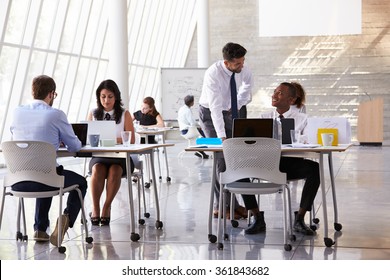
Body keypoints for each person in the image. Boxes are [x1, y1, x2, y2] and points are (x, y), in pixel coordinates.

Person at [9, 75, 88, 246]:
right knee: (79, 182)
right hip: (47, 181)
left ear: (33, 92)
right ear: (51, 94)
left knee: (43, 170)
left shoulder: (17, 112)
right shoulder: (56, 115)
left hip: (18, 182)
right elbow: (74, 147)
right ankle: (66, 218)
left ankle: (40, 229)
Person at [241, 82, 320, 235]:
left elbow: (308, 140)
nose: (274, 95)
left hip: (290, 164)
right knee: (236, 168)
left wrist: (295, 139)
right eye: (274, 92)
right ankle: (257, 218)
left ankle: (300, 219)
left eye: (280, 93)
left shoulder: (303, 119)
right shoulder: (264, 117)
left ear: (291, 100)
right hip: (265, 164)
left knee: (314, 169)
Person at [198, 42, 253, 219]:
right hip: (209, 114)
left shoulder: (243, 69)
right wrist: (221, 136)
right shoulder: (213, 74)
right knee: (220, 158)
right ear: (227, 62)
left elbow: (248, 86)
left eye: (242, 61)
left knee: (233, 157)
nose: (242, 65)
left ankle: (232, 205)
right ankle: (221, 206)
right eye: (238, 63)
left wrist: (237, 102)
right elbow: (215, 109)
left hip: (228, 111)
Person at [87, 79, 135, 226]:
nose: (106, 100)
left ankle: (106, 207)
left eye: (110, 96)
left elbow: (130, 139)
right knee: (97, 169)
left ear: (116, 97)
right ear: (98, 97)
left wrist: (111, 140)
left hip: (120, 157)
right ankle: (95, 208)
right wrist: (115, 139)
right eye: (103, 96)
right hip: (100, 157)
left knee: (114, 171)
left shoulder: (125, 114)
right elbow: (88, 138)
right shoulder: (93, 114)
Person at [177, 95, 209, 159]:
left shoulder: (181, 109)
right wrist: (200, 126)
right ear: (192, 102)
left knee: (202, 133)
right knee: (205, 134)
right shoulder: (187, 111)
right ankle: (200, 151)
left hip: (183, 130)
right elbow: (192, 123)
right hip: (188, 131)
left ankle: (200, 151)